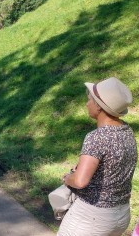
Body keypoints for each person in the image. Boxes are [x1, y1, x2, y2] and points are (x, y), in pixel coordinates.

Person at [58, 77, 136, 236]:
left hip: (92, 217)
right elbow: (112, 167)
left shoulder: (96, 137)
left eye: (89, 100)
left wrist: (68, 178)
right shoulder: (127, 132)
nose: (87, 104)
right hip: (121, 215)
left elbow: (80, 181)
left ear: (99, 107)